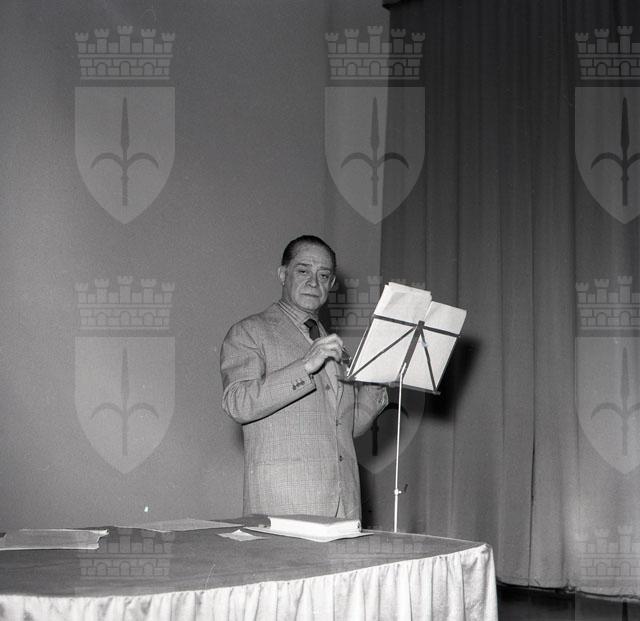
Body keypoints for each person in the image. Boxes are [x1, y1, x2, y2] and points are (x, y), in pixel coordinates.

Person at [220, 235, 388, 519]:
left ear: (331, 284)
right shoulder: (249, 332)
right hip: (284, 504)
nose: (314, 282)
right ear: (282, 274)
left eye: (323, 275)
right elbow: (236, 403)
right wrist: (305, 366)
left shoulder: (336, 348)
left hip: (345, 505)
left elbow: (349, 428)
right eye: (303, 271)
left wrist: (376, 381)